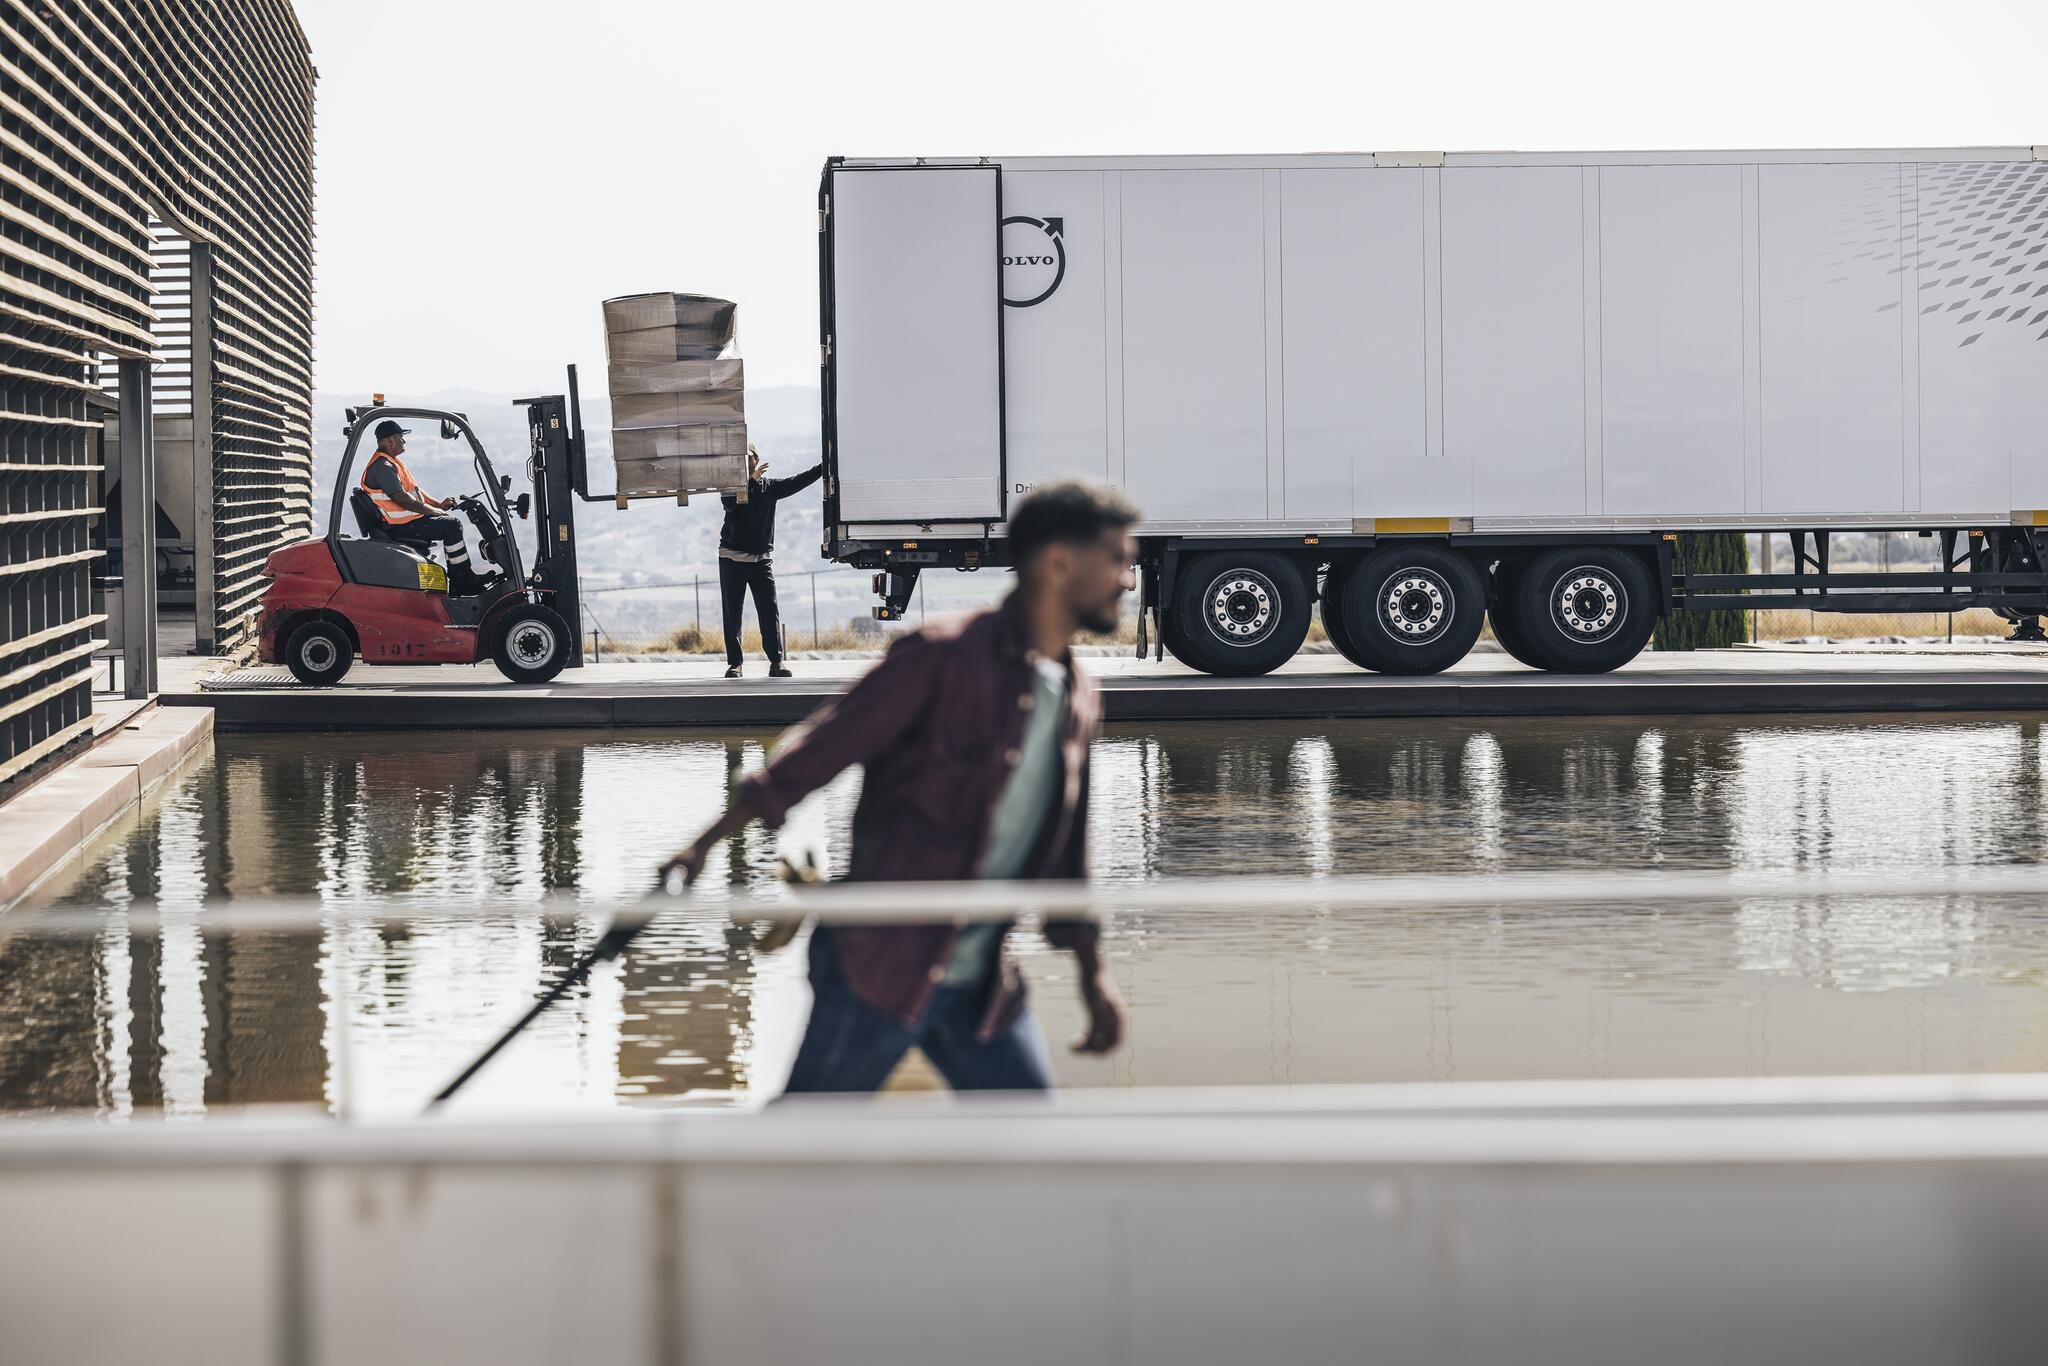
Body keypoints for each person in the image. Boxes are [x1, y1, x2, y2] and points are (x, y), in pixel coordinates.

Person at [660, 481, 1138, 1095]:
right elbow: (816, 753)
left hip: (981, 989)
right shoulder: (940, 658)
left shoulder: (1079, 696)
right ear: (1059, 563)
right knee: (795, 1156)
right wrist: (699, 848)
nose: (1129, 579)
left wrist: (1093, 975)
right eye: (1118, 560)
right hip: (876, 970)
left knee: (1033, 1156)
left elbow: (1069, 850)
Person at [719, 447, 823, 678]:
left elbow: (798, 481)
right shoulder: (730, 487)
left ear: (756, 458)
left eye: (749, 457)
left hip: (761, 562)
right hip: (731, 559)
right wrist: (750, 481)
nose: (746, 461)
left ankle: (776, 662)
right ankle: (735, 664)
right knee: (732, 613)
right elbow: (731, 505)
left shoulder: (770, 488)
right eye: (741, 458)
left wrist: (824, 466)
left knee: (769, 611)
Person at [360, 419, 485, 594]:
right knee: (451, 525)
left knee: (449, 523)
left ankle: (460, 577)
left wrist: (438, 505)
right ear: (389, 441)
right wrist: (434, 511)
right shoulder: (382, 466)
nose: (404, 441)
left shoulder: (391, 463)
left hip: (407, 522)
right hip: (399, 527)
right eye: (401, 437)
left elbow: (416, 492)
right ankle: (463, 580)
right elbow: (402, 498)